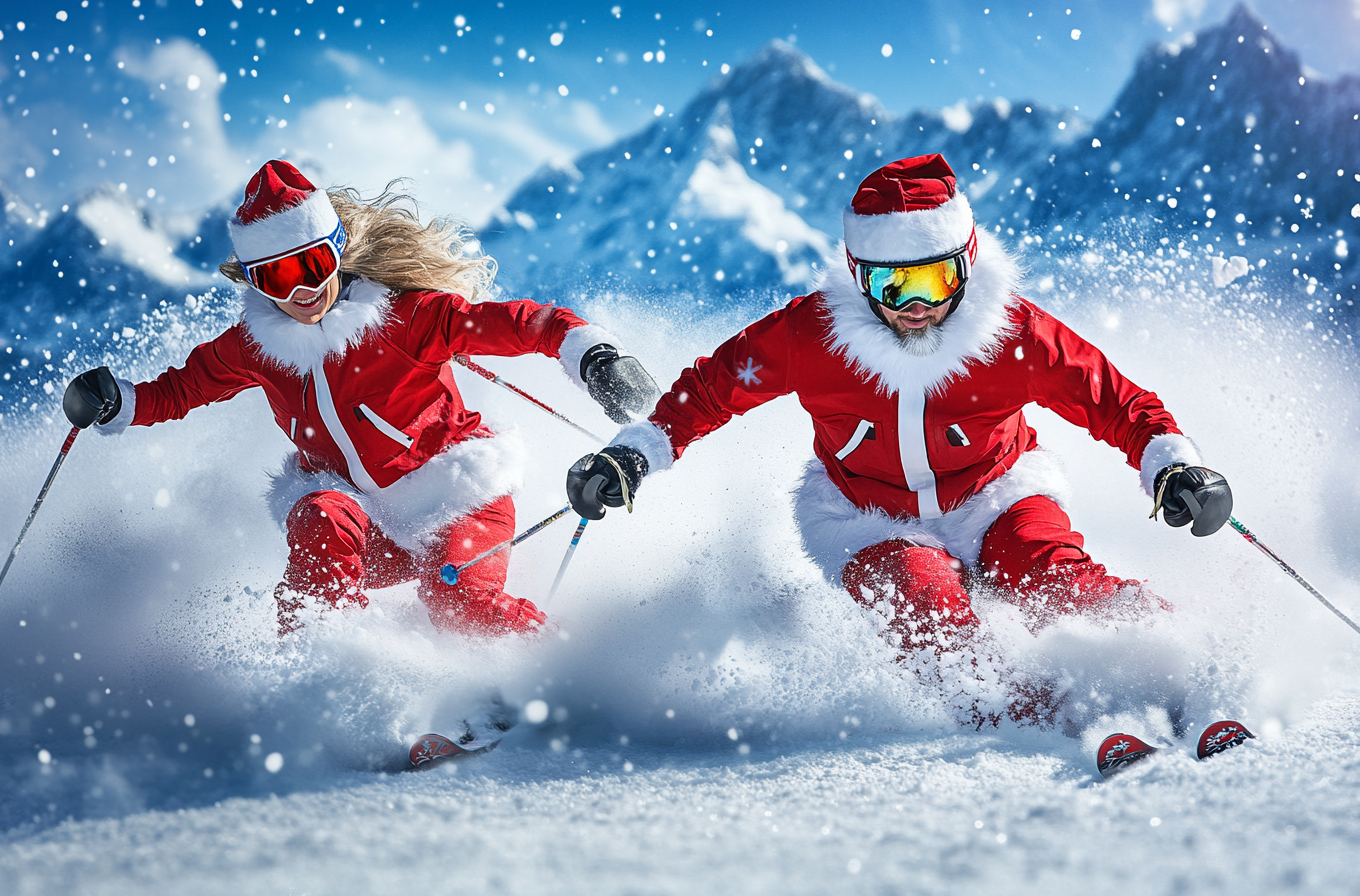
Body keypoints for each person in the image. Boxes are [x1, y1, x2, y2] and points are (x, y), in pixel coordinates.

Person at [565, 154, 1231, 712]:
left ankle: (1180, 661)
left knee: (1049, 576)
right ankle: (1015, 706)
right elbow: (711, 389)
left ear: (965, 263)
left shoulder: (1014, 335)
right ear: (859, 276)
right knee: (921, 599)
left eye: (936, 279)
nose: (916, 305)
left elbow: (1114, 400)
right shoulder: (810, 336)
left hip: (996, 496)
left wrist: (1171, 465)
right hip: (867, 514)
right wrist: (633, 455)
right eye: (891, 282)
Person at [63, 159, 658, 637]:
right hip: (366, 525)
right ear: (255, 282)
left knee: (457, 603)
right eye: (276, 278)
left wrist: (594, 356)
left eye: (315, 264)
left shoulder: (409, 320)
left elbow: (526, 324)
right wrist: (119, 401)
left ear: (338, 252)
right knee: (318, 516)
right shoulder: (254, 347)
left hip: (457, 497)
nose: (301, 290)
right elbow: (181, 388)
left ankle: (550, 666)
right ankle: (328, 676)